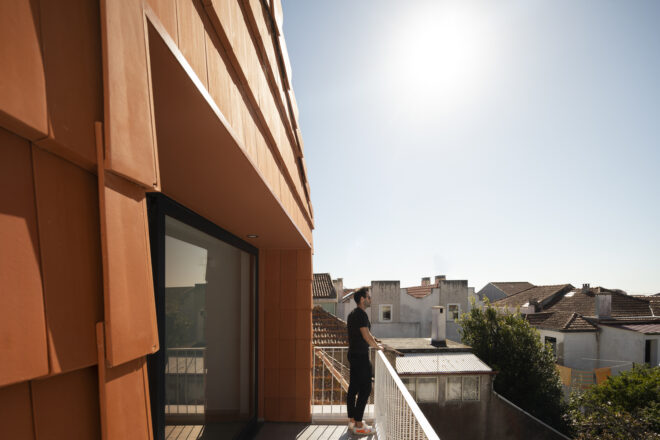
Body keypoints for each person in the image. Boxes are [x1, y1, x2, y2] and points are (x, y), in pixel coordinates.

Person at [346, 287, 382, 435]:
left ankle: (352, 421)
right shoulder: (361, 315)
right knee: (366, 389)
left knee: (353, 388)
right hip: (360, 356)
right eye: (368, 297)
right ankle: (359, 425)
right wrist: (377, 347)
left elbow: (366, 334)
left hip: (353, 354)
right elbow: (366, 336)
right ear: (362, 299)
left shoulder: (352, 314)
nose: (370, 299)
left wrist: (375, 342)